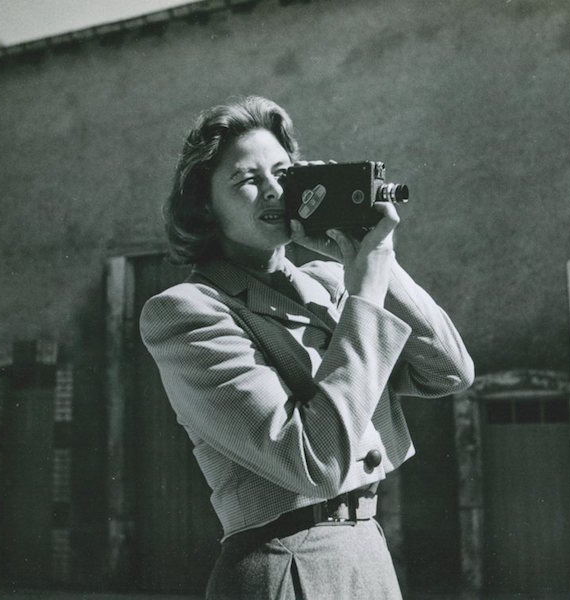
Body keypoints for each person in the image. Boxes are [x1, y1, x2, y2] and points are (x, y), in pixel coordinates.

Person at [140, 95, 474, 600]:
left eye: (283, 171)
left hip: (369, 557)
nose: (274, 191)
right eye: (247, 180)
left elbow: (449, 371)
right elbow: (312, 462)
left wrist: (376, 259)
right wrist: (365, 287)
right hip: (285, 568)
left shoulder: (328, 282)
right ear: (206, 204)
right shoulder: (188, 311)